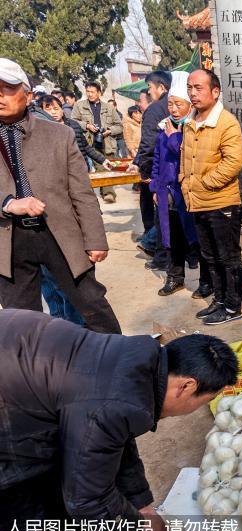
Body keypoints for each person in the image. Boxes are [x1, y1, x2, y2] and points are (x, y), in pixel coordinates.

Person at [0, 309, 239, 531]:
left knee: (58, 488)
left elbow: (112, 441)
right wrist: (135, 530)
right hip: (8, 421)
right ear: (187, 386)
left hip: (18, 370)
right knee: (14, 524)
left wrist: (142, 505)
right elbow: (86, 498)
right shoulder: (113, 403)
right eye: (207, 399)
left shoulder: (136, 362)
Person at [0, 58, 121, 334]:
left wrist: (95, 239)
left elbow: (81, 192)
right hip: (9, 239)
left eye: (6, 88)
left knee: (92, 305)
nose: (0, 96)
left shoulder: (59, 135)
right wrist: (8, 203)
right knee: (20, 322)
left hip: (58, 232)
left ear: (28, 95)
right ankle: (37, 374)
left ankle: (122, 363)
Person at [181, 69, 242, 325]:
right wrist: (185, 182)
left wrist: (204, 183)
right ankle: (219, 300)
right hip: (197, 202)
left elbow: (234, 162)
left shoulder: (226, 122)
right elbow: (186, 158)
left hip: (222, 203)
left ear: (215, 91)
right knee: (209, 257)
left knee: (228, 257)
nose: (193, 93)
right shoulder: (190, 121)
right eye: (189, 88)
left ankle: (232, 307)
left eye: (198, 88)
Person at [150, 71, 212, 298]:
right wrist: (155, 187)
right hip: (168, 193)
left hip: (190, 193)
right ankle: (175, 277)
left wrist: (175, 137)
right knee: (172, 238)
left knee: (197, 239)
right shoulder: (163, 128)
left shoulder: (194, 128)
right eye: (170, 104)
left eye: (178, 104)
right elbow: (157, 160)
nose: (174, 109)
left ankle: (206, 282)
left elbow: (189, 156)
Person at [130, 71, 172, 267]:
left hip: (159, 168)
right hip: (174, 167)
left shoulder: (154, 110)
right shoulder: (174, 106)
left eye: (150, 88)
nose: (149, 92)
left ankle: (160, 254)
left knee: (161, 214)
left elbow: (148, 143)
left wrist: (146, 173)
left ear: (161, 87)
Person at [71, 81, 123, 203]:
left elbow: (119, 126)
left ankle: (104, 190)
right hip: (90, 142)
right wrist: (87, 125)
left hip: (107, 142)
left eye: (92, 92)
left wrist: (109, 131)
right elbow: (72, 121)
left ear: (99, 93)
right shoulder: (79, 106)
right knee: (100, 166)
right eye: (88, 92)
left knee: (108, 167)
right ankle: (109, 193)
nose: (90, 94)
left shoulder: (109, 108)